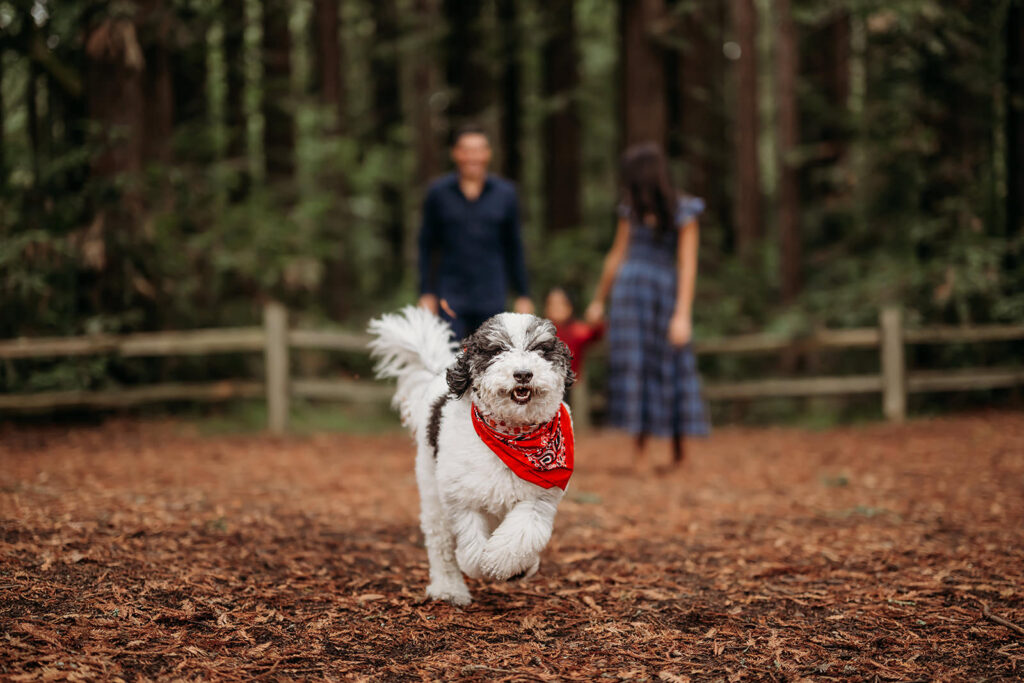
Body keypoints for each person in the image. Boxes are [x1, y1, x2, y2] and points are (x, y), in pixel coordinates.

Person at [585, 143, 709, 471]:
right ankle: (639, 454)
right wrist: (599, 300)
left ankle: (678, 451)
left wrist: (682, 314)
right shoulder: (631, 210)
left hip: (664, 296)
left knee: (671, 365)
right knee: (636, 368)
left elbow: (687, 264)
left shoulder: (685, 210)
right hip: (629, 299)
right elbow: (617, 255)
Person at [417, 124, 533, 340]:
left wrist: (523, 294)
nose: (473, 157)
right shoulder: (438, 194)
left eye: (479, 150)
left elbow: (514, 246)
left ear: (488, 153)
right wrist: (426, 292)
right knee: (450, 361)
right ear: (456, 153)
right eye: (467, 150)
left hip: (492, 294)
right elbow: (426, 245)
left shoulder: (506, 194)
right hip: (450, 294)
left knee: (491, 362)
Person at [544, 287, 604, 381]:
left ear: (569, 307)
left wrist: (596, 319)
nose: (556, 308)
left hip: (573, 384)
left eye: (561, 304)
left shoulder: (577, 331)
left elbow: (595, 334)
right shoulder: (543, 333)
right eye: (552, 304)